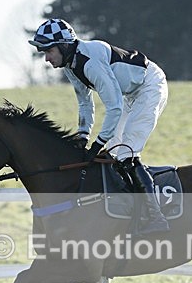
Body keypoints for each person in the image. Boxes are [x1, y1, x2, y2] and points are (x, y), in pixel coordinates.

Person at [29, 18, 170, 234]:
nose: (46, 58)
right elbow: (85, 103)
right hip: (130, 94)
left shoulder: (90, 61)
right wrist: (83, 136)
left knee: (125, 152)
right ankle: (126, 211)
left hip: (150, 86)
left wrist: (98, 142)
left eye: (49, 51)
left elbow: (113, 107)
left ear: (64, 46)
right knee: (112, 154)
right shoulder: (71, 65)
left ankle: (156, 217)